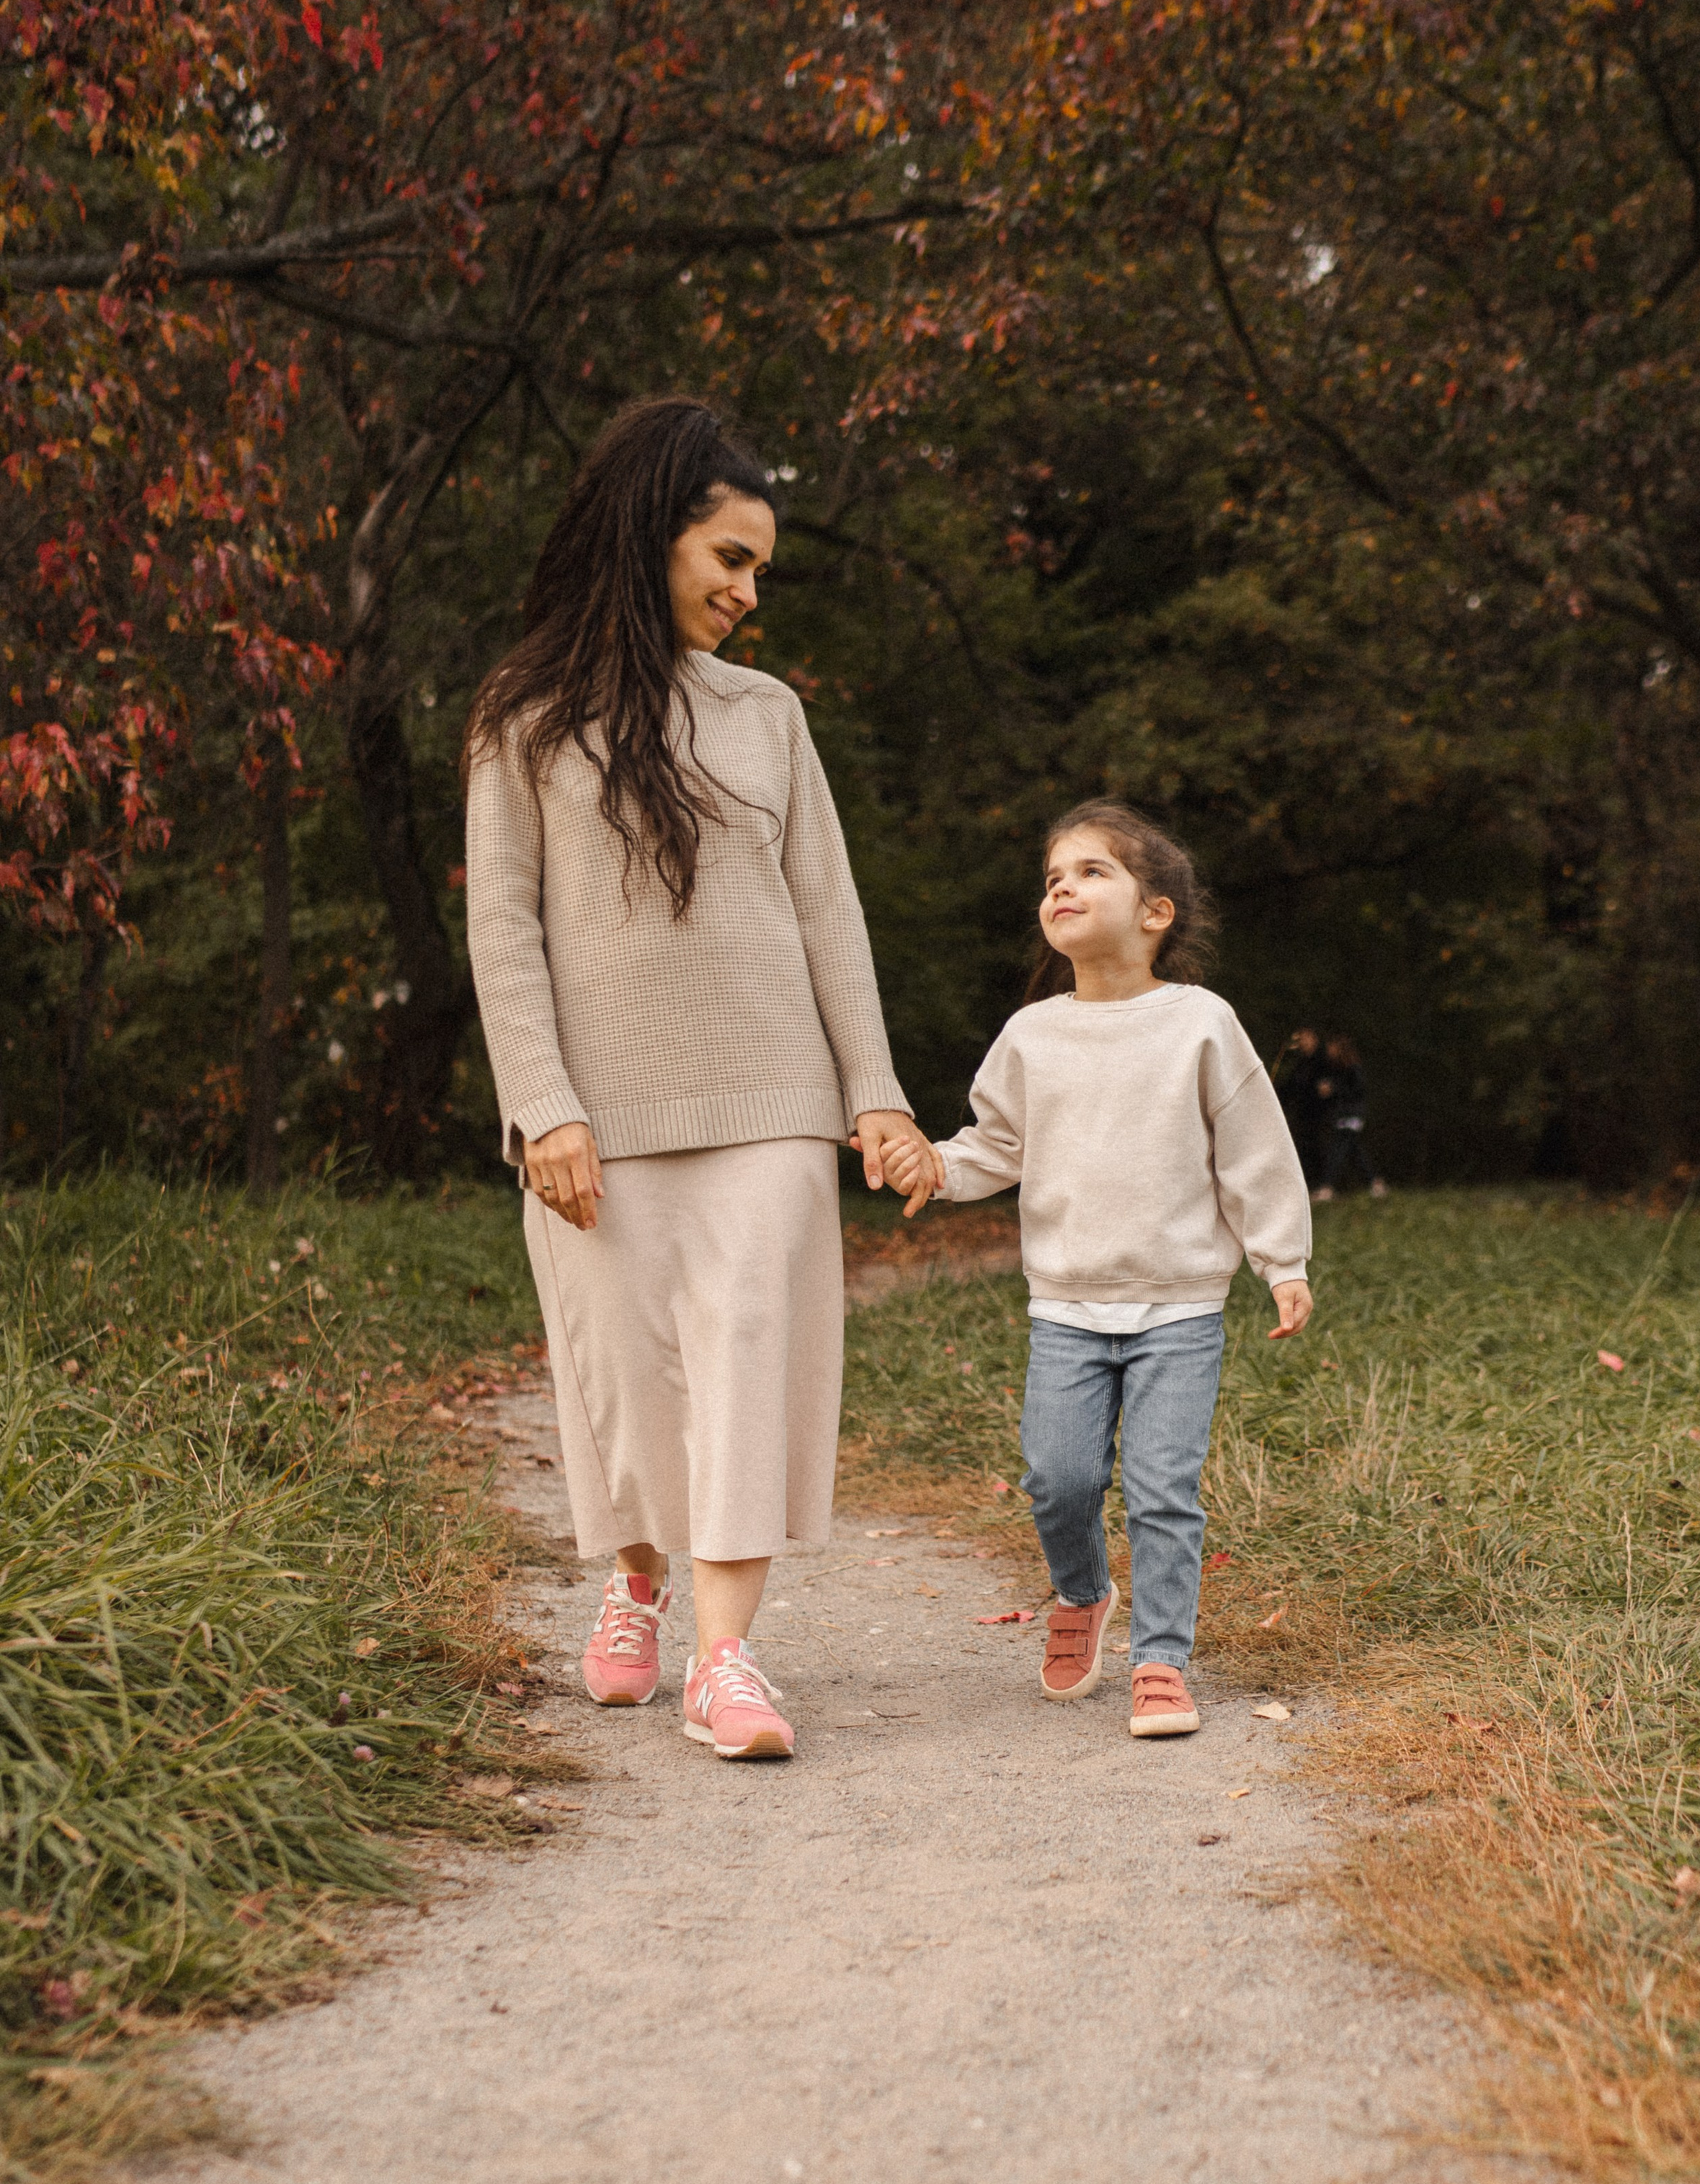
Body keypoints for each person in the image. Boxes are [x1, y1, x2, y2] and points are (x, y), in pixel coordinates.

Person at [462, 396, 914, 1762]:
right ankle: (638, 1576)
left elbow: (827, 912)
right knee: (629, 1370)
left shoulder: (768, 716)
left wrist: (874, 1090)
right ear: (649, 537)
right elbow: (504, 925)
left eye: (760, 566)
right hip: (599, 1107)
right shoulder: (525, 715)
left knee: (745, 1360)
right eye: (729, 557)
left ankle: (727, 1660)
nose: (748, 591)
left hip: (772, 1095)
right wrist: (544, 1104)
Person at [882, 801, 1312, 1739]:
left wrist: (1283, 1260)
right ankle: (1081, 1592)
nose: (1064, 886)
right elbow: (994, 1144)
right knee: (1059, 1477)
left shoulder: (1200, 1022)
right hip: (1069, 1310)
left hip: (1179, 1308)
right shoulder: (1035, 1034)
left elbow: (1254, 1150)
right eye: (1053, 878)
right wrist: (938, 1168)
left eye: (1090, 871)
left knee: (1164, 1486)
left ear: (1156, 910)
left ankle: (1161, 1657)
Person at [1312, 1033, 1387, 1201]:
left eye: (1332, 1047)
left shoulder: (1353, 1068)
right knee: (1354, 1151)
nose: (1329, 1051)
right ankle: (1376, 1183)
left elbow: (1357, 1091)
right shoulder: (1336, 1069)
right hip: (1343, 1115)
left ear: (1340, 1049)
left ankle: (1327, 1187)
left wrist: (1333, 1089)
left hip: (1353, 1115)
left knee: (1337, 1150)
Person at [1273, 1025, 1331, 1187]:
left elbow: (1329, 1085)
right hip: (1304, 1113)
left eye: (1306, 1038)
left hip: (1320, 1113)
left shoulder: (1323, 1060)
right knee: (1304, 1148)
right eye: (1301, 1039)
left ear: (1314, 1039)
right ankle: (1310, 1185)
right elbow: (1291, 1087)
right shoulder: (1302, 1063)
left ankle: (1324, 1184)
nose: (1303, 1042)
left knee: (1320, 1148)